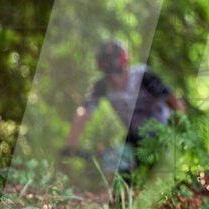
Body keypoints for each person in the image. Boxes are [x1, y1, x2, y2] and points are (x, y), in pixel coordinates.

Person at [63, 39, 186, 175]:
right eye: (109, 74)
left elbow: (174, 101)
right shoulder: (102, 86)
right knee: (109, 164)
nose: (115, 79)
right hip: (134, 138)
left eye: (118, 71)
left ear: (126, 65)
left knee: (154, 170)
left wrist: (181, 134)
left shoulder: (143, 76)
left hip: (161, 136)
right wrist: (71, 147)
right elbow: (83, 114)